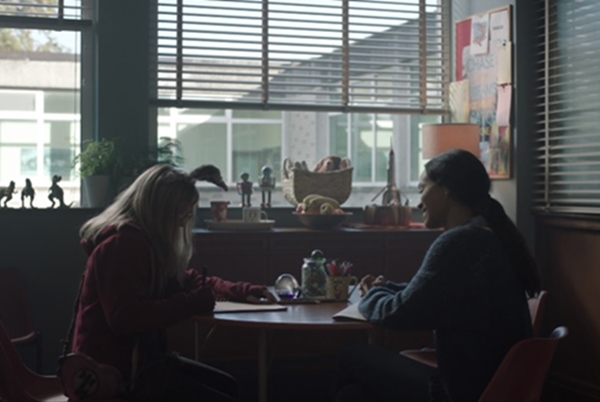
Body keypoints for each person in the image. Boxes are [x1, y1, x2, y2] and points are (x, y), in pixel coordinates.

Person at [334, 149, 541, 402]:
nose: (419, 203)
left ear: (446, 190)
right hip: (493, 386)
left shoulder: (459, 242)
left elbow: (397, 313)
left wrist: (371, 295)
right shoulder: (486, 235)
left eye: (422, 189)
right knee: (353, 395)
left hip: (462, 392)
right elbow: (433, 293)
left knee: (352, 355)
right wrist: (387, 288)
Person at [70, 164, 276, 402]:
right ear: (160, 211)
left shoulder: (140, 242)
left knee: (226, 386)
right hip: (111, 376)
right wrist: (194, 303)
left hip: (137, 365)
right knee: (225, 392)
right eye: (181, 214)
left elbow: (187, 280)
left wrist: (238, 291)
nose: (181, 223)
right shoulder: (124, 245)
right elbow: (125, 318)